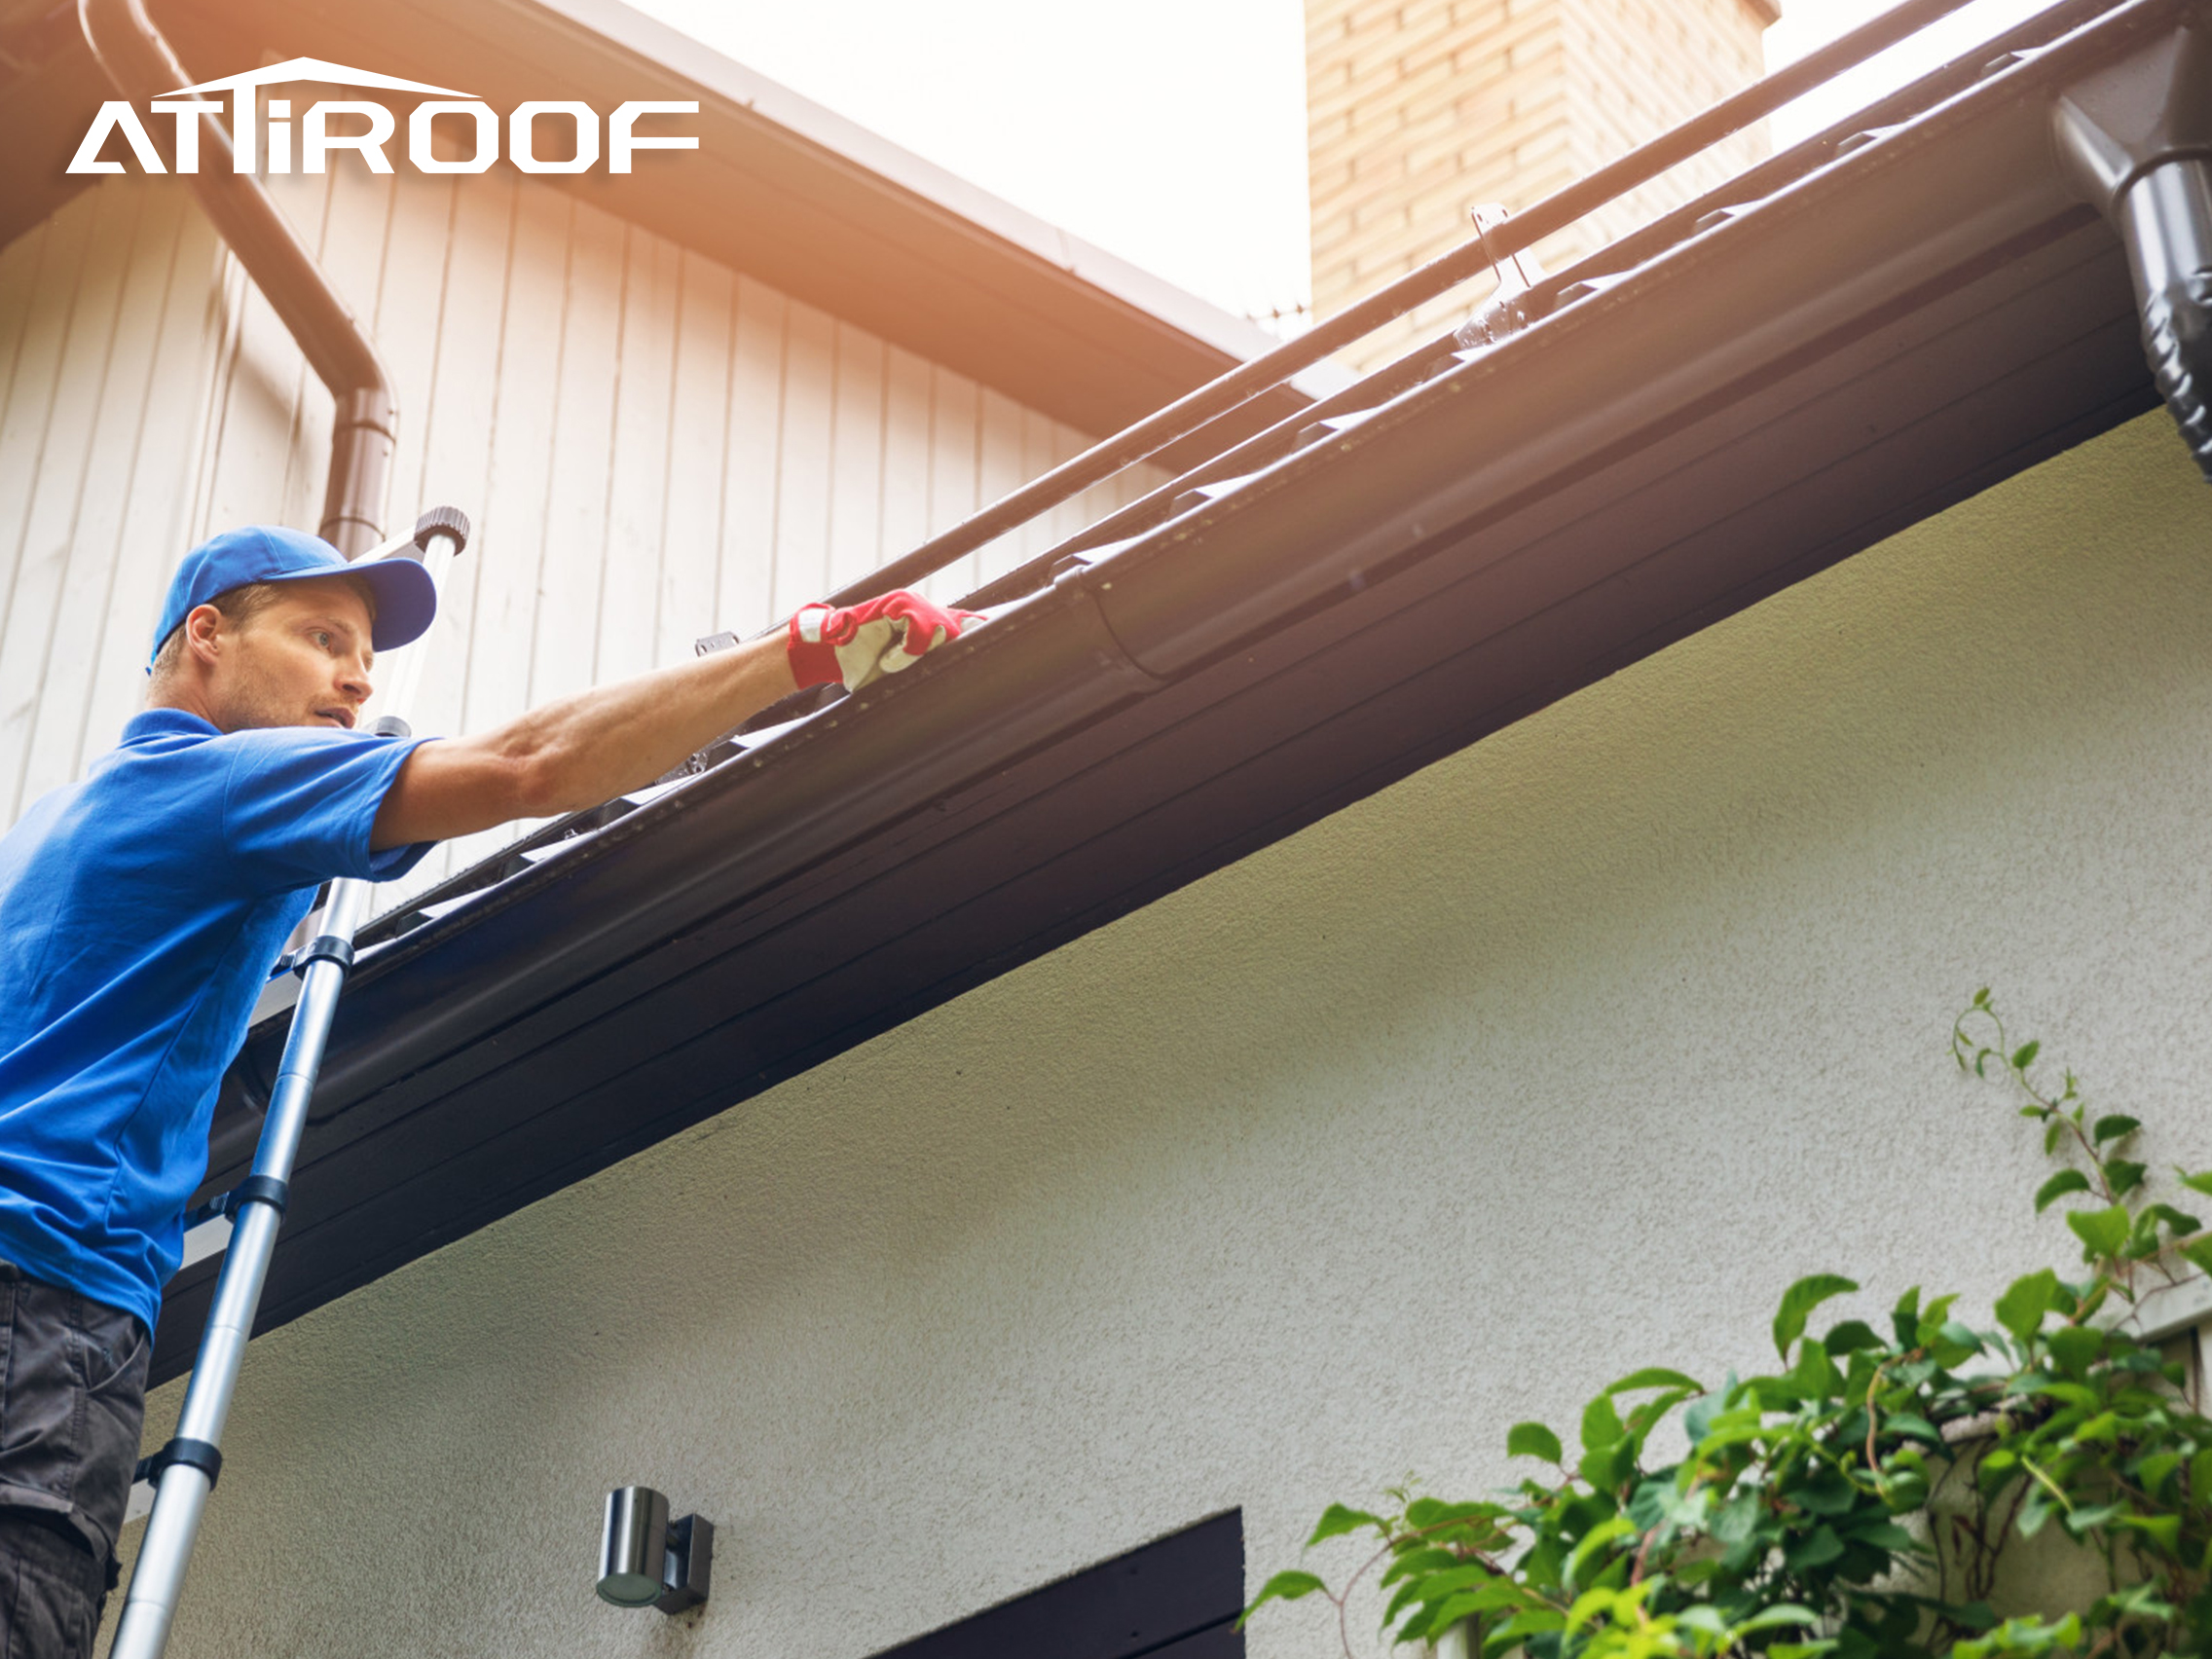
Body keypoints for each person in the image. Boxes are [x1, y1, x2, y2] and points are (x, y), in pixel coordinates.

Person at [0, 524, 980, 1655]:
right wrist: (803, 650)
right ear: (208, 637)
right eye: (323, 638)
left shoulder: (42, 834)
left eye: (364, 653)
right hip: (45, 1303)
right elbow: (533, 763)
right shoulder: (217, 783)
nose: (359, 679)